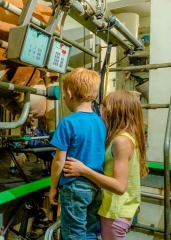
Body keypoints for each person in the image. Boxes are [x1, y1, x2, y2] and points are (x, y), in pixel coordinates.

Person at [63, 90, 149, 240]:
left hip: (116, 212)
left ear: (116, 111)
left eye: (104, 108)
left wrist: (83, 170)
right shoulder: (125, 137)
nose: (101, 112)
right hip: (118, 210)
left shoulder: (121, 141)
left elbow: (119, 187)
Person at [48, 67, 106, 240]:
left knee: (74, 235)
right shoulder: (99, 122)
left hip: (75, 187)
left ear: (69, 93)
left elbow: (59, 160)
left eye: (64, 96)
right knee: (88, 232)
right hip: (96, 186)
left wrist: (52, 188)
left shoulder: (67, 123)